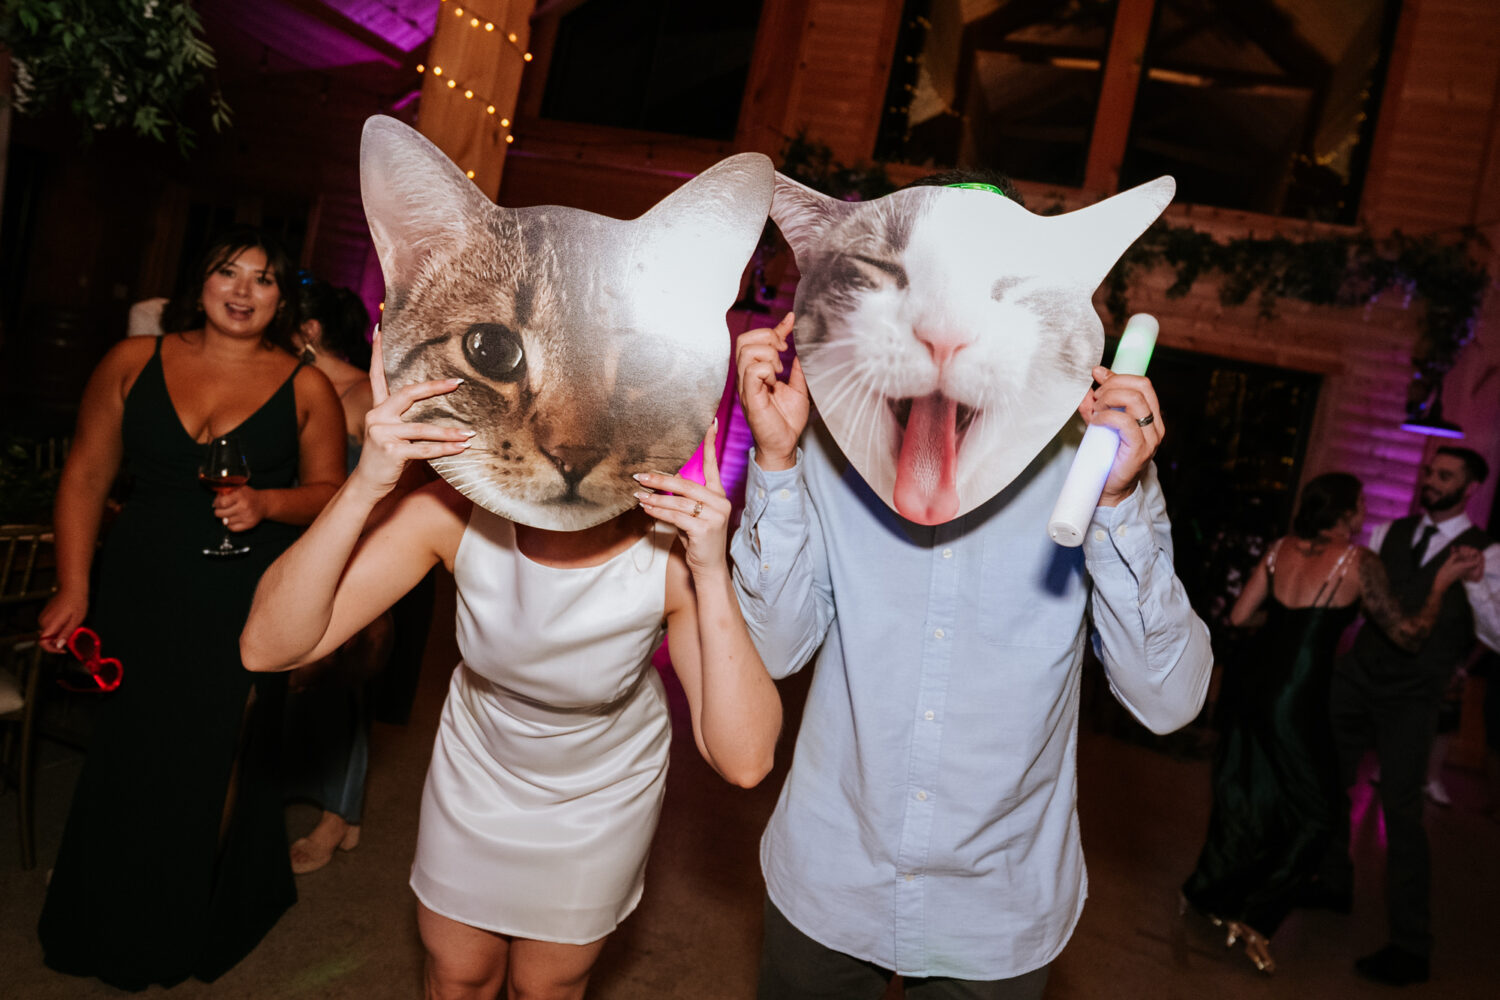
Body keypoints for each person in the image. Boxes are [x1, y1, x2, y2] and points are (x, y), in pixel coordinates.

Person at [731, 226, 1214, 997]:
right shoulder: (834, 441)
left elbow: (1169, 701)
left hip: (997, 906)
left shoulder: (1095, 467)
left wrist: (1118, 504)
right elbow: (778, 650)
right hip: (830, 875)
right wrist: (778, 464)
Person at [239, 333, 782, 1000]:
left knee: (545, 988)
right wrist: (366, 485)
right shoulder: (450, 514)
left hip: (600, 795)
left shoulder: (666, 553)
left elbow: (746, 760)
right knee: (457, 974)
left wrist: (709, 571)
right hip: (480, 772)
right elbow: (268, 647)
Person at [35, 227, 346, 989]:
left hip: (244, 596)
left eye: (264, 279)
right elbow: (83, 477)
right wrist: (73, 585)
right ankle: (105, 902)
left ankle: (187, 912)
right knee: (131, 746)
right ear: (197, 283)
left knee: (214, 750)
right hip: (140, 586)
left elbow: (335, 497)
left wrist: (268, 501)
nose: (243, 291)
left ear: (282, 299)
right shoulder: (131, 361)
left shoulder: (305, 386)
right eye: (226, 273)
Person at [1180, 472, 1477, 974]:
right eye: (1361, 504)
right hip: (1296, 699)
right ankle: (1255, 916)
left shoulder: (1279, 550)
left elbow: (1237, 617)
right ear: (1347, 514)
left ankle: (1207, 894)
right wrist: (1442, 584)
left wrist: (1287, 626)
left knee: (1249, 795)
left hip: (1253, 688)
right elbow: (1408, 634)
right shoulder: (1357, 561)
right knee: (1317, 814)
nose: (1365, 511)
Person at [1322, 446, 1500, 986]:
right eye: (1428, 471)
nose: (1430, 480)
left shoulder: (1487, 554)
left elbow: (1495, 634)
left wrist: (1470, 585)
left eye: (1445, 476)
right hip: (1358, 679)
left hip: (1413, 696)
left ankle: (1410, 944)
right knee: (1330, 781)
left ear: (1470, 488)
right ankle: (1330, 880)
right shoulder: (1388, 533)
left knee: (1402, 815)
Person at [281, 276, 385, 874]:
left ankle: (337, 815)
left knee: (344, 688)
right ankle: (330, 806)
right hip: (303, 552)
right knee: (302, 684)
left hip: (359, 558)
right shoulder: (306, 389)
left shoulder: (361, 396)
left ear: (310, 332)